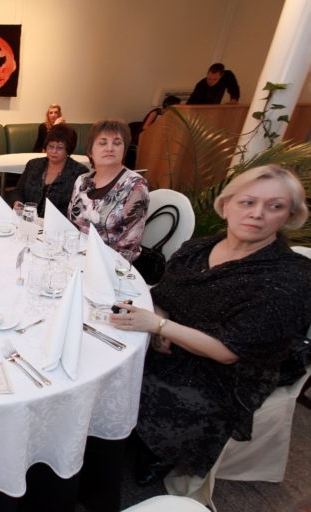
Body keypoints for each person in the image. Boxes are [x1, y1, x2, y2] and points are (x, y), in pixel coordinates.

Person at [109, 165, 311, 485]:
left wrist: (160, 326)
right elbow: (164, 294)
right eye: (247, 202)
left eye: (275, 206)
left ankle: (159, 452)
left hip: (227, 373)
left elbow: (229, 352)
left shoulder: (289, 278)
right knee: (112, 354)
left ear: (288, 216)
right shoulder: (198, 249)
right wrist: (162, 317)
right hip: (175, 338)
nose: (257, 214)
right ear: (226, 205)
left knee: (156, 388)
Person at [68, 119, 149, 260]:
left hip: (110, 264)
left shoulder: (135, 185)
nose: (110, 148)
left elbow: (129, 247)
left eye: (117, 143)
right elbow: (71, 224)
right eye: (102, 143)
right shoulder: (82, 181)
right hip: (75, 257)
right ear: (90, 151)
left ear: (124, 150)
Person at [13, 124, 88, 217]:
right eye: (50, 146)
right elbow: (18, 190)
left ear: (68, 149)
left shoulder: (79, 172)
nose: (54, 151)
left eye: (60, 148)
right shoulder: (33, 165)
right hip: (28, 219)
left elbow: (79, 208)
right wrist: (18, 202)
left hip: (59, 223)